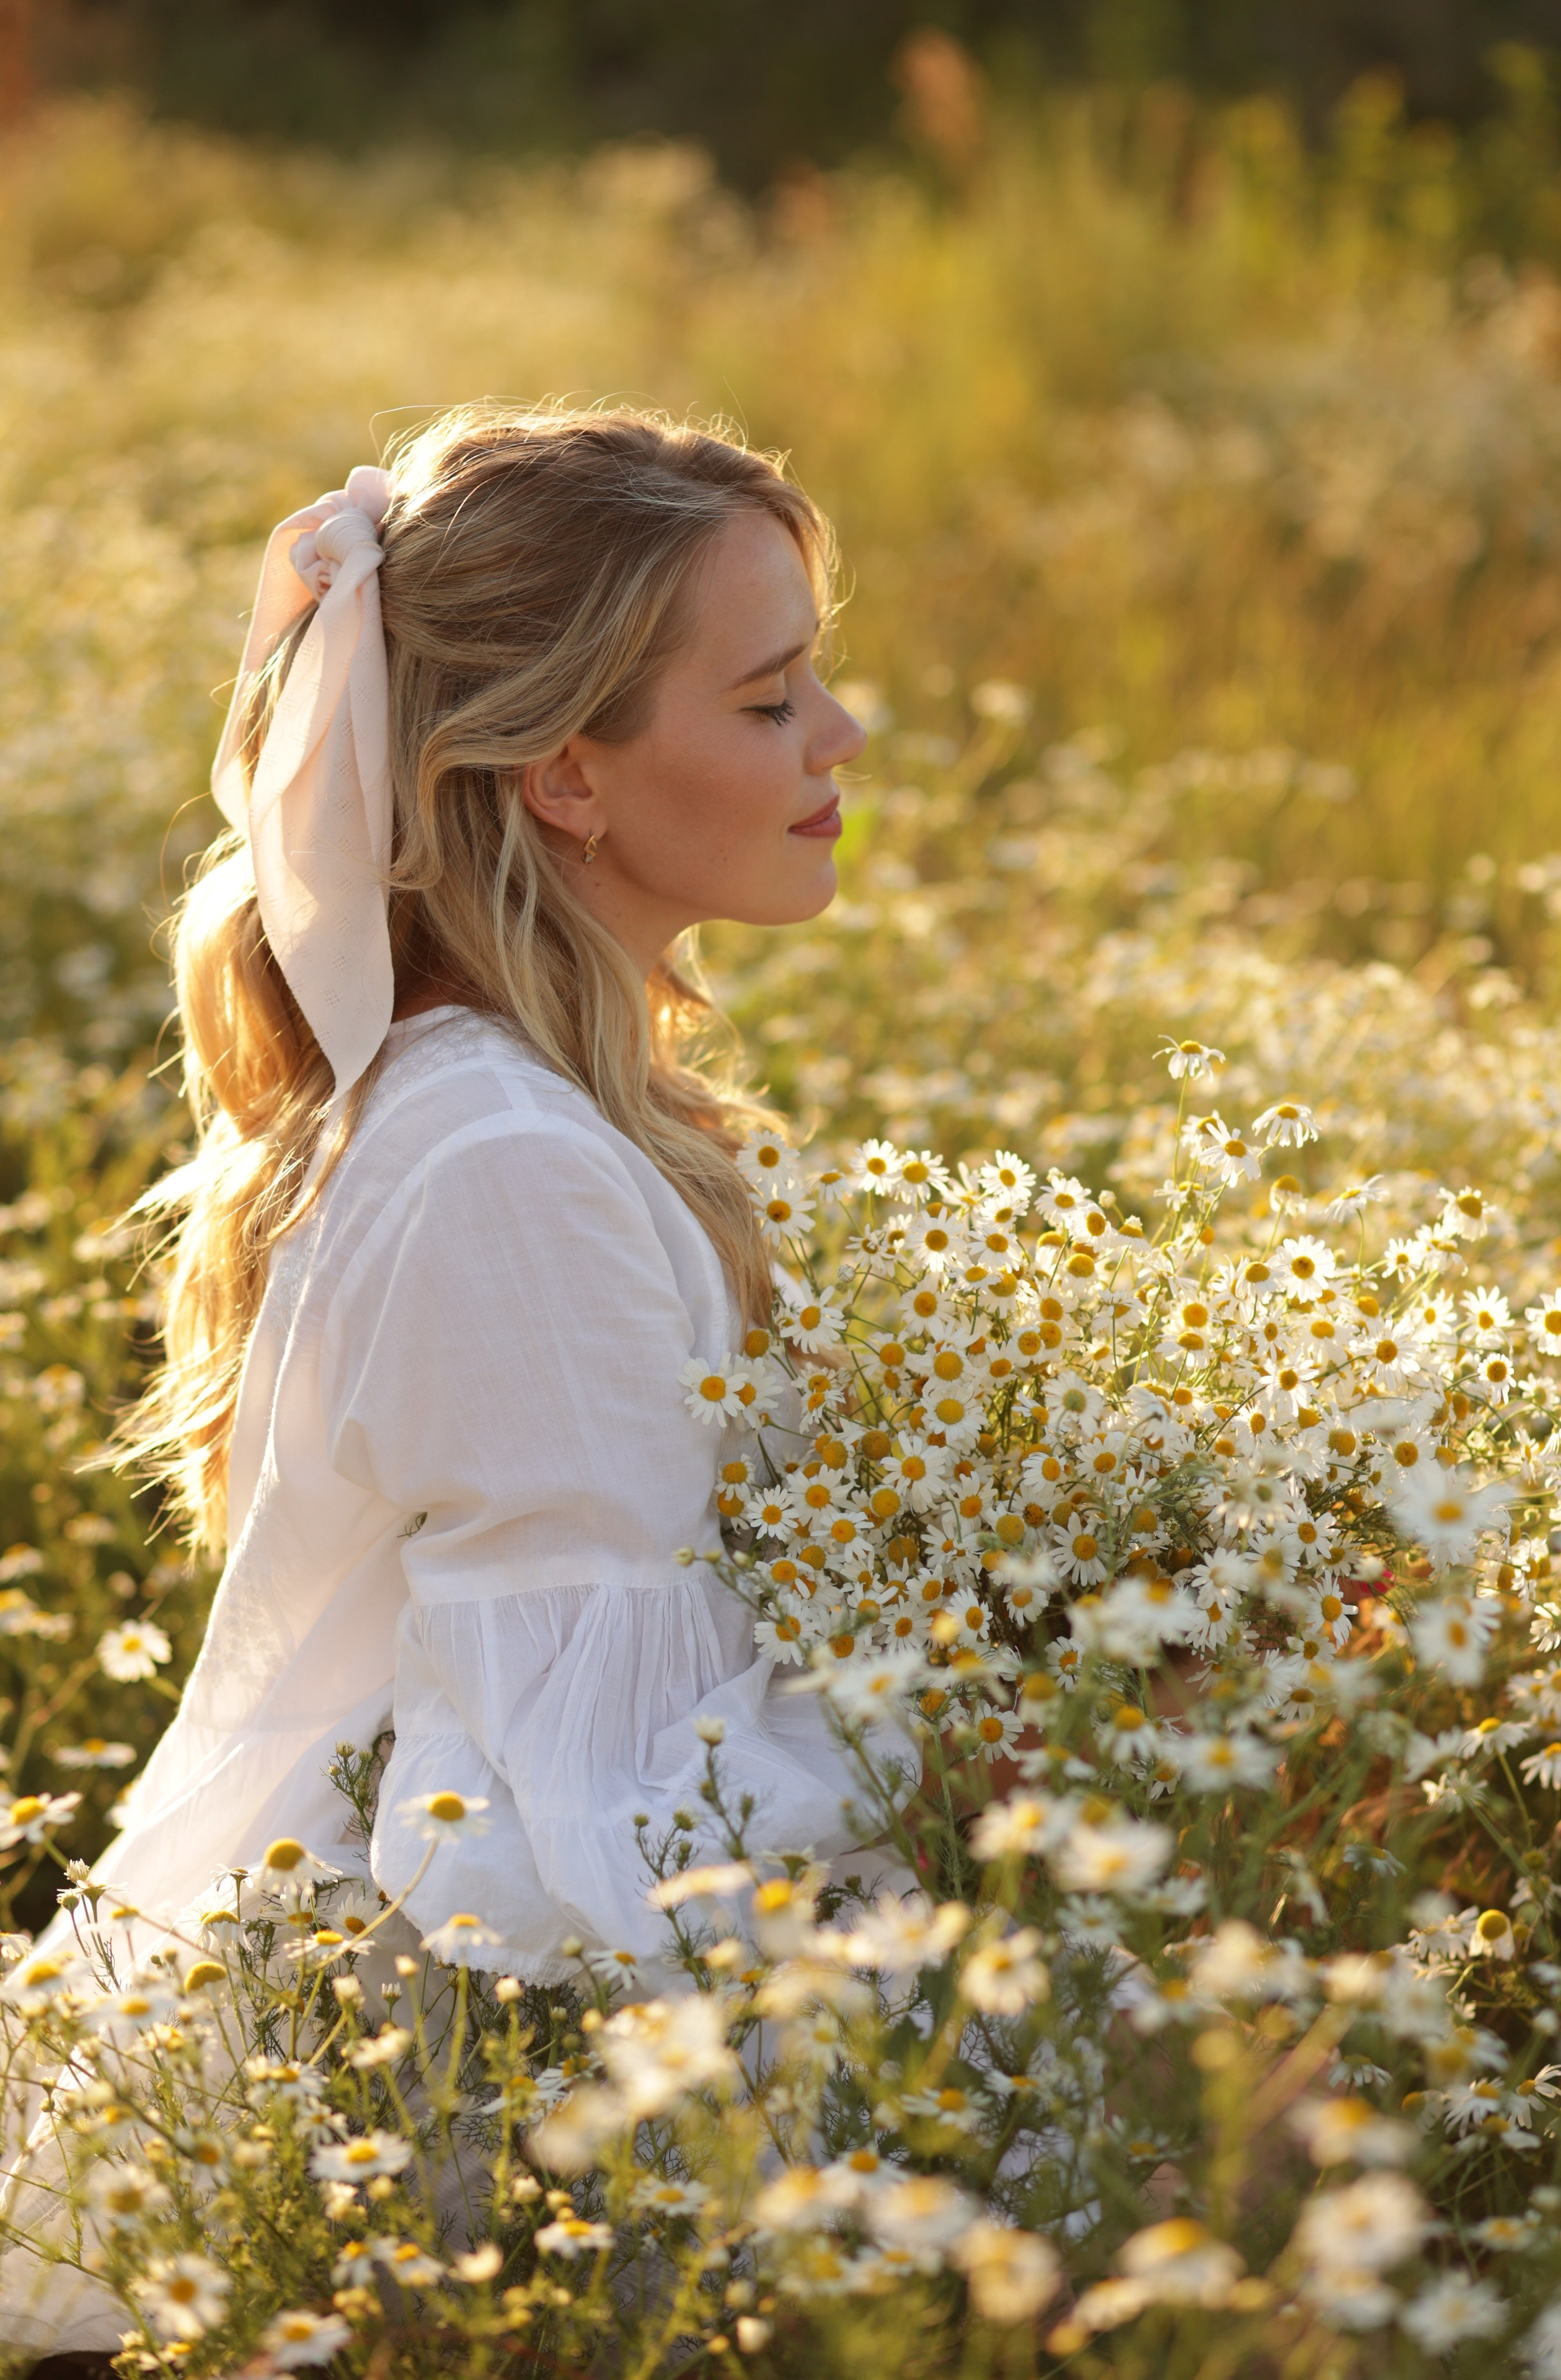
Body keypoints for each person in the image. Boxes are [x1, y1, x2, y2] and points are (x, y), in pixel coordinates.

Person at [1, 401, 903, 2357]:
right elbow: (581, 1818)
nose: (839, 743)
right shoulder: (503, 1160)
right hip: (500, 2104)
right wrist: (999, 1744)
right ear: (567, 772)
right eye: (768, 701)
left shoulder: (547, 1100)